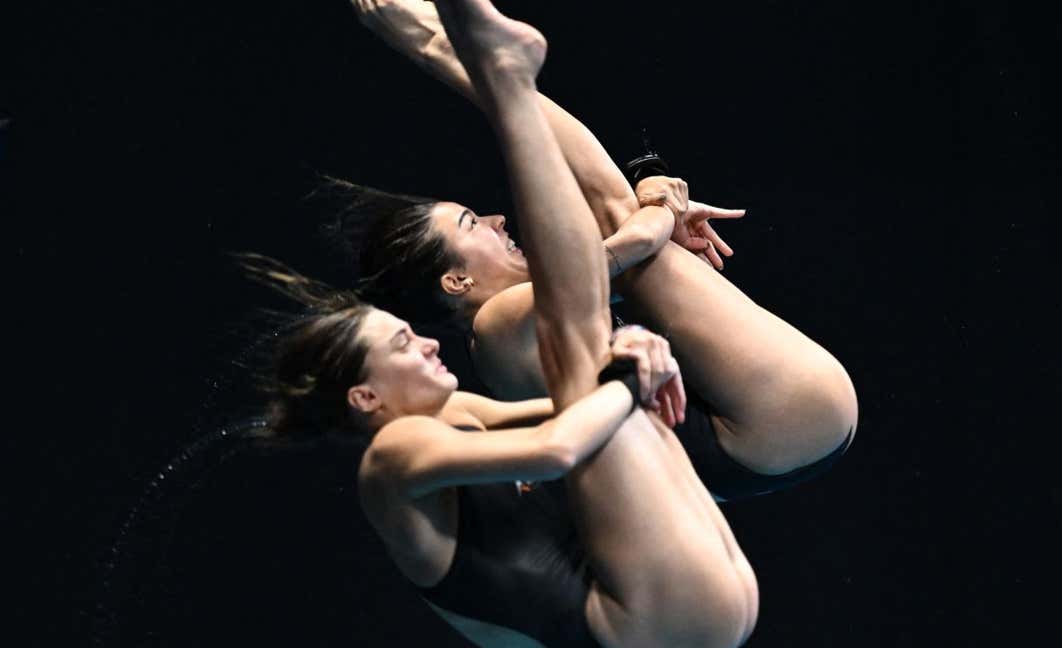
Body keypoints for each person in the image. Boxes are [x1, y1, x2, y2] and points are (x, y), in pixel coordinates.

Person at [248, 2, 758, 646]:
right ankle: (501, 76)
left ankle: (491, 68)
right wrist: (625, 373)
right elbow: (557, 448)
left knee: (589, 350)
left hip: (681, 616)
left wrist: (627, 360)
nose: (430, 342)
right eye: (403, 344)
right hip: (648, 626)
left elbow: (571, 415)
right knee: (577, 339)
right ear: (366, 397)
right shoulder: (392, 455)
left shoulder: (453, 413)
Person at [344, 0, 858, 502]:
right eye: (471, 224)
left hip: (771, 438)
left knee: (618, 228)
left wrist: (658, 218)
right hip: (771, 427)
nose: (497, 220)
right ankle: (452, 49)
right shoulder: (495, 322)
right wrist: (657, 196)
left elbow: (616, 260)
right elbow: (622, 247)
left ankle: (457, 48)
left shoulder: (511, 337)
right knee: (613, 211)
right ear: (456, 282)